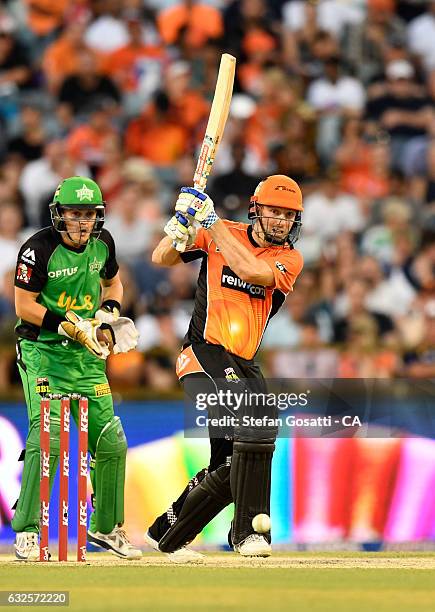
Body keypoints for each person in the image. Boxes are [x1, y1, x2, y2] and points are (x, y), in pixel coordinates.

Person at [147, 174, 304, 560]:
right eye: (274, 211)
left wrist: (210, 222)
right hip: (205, 352)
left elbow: (252, 271)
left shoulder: (289, 258)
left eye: (288, 215)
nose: (281, 220)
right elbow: (161, 257)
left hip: (244, 362)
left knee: (233, 462)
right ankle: (249, 531)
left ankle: (166, 533)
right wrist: (180, 228)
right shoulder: (222, 231)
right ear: (256, 209)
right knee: (258, 420)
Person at [12, 176, 141, 561]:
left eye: (88, 215)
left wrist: (107, 315)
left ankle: (106, 528)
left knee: (111, 438)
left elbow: (114, 285)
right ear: (59, 214)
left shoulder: (104, 244)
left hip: (85, 355)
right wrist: (71, 325)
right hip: (42, 350)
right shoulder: (38, 249)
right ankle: (29, 531)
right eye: (74, 214)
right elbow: (24, 306)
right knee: (47, 435)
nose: (81, 222)